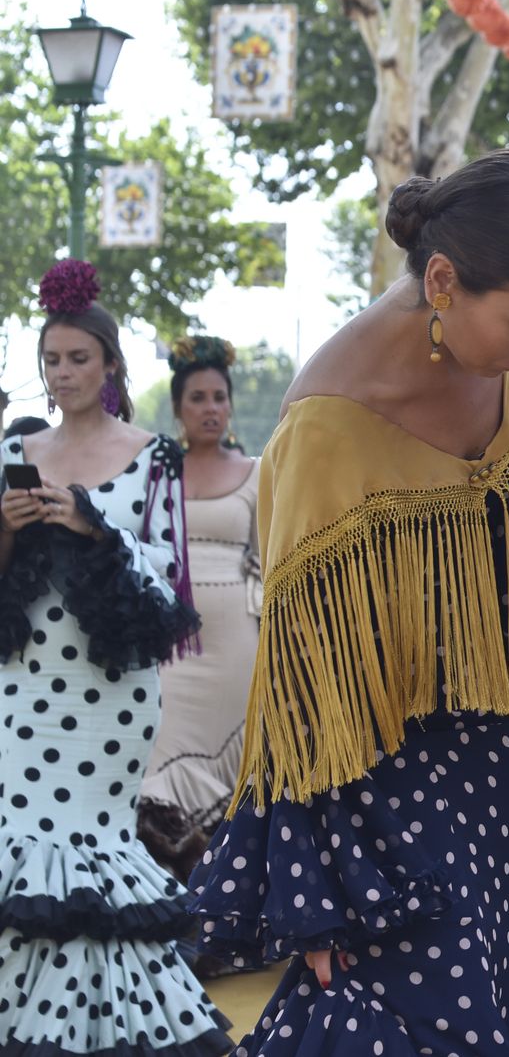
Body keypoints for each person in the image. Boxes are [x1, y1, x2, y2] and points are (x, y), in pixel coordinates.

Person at [187, 147, 509, 1053]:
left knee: (483, 989)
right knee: (410, 1011)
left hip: (490, 749)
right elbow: (302, 698)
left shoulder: (505, 348)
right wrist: (317, 891)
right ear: (441, 282)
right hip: (378, 791)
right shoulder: (327, 427)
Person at [0, 260, 227, 1055]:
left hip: (111, 696)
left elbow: (170, 576)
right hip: (22, 686)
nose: (62, 374)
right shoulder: (17, 445)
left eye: (77, 359)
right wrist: (8, 526)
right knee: (17, 844)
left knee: (94, 858)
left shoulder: (154, 455)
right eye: (51, 361)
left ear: (109, 367)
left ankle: (101, 1030)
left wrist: (92, 524)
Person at [138, 335, 261, 888]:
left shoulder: (259, 472)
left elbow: (270, 558)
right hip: (170, 643)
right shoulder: (153, 475)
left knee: (234, 761)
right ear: (177, 408)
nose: (211, 408)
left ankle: (223, 899)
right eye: (197, 398)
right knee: (157, 757)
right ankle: (168, 894)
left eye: (219, 397)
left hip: (237, 642)